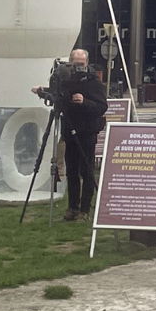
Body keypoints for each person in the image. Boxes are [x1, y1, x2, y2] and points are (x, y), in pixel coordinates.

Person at [43, 48, 108, 222]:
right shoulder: (66, 79)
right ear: (70, 62)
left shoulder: (94, 82)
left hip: (87, 131)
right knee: (71, 171)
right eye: (75, 63)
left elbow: (102, 107)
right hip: (69, 129)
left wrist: (84, 102)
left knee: (86, 171)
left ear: (87, 63)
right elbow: (58, 97)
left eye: (81, 63)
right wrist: (43, 92)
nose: (78, 67)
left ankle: (85, 210)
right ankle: (72, 207)